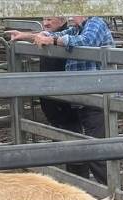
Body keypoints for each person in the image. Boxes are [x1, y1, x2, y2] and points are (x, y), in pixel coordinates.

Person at [30, 16, 114, 184]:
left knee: (96, 149)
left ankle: (113, 193)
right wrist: (27, 36)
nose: (69, 16)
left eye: (72, 11)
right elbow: (56, 34)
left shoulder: (95, 23)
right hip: (82, 97)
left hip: (98, 95)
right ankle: (90, 189)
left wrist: (51, 39)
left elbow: (86, 41)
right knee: (85, 145)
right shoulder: (77, 28)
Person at [6, 17, 75, 131]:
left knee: (68, 125)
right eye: (44, 19)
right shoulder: (52, 35)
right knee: (59, 124)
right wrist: (23, 35)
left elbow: (59, 38)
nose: (45, 23)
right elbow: (47, 36)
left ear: (62, 21)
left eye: (49, 19)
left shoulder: (68, 34)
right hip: (52, 92)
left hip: (63, 94)